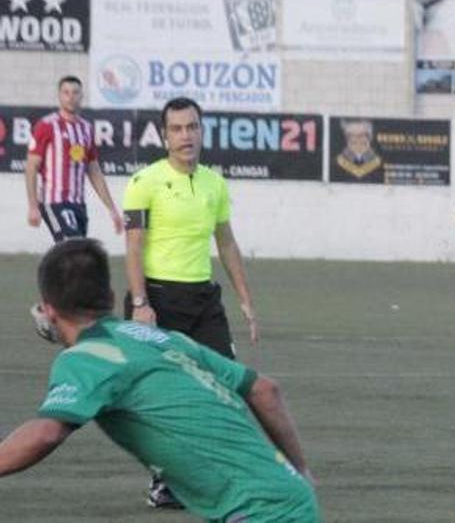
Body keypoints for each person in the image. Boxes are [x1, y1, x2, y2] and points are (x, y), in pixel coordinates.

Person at [2, 238, 318, 521]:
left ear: (49, 310)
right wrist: (300, 470)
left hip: (258, 511)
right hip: (290, 495)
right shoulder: (166, 339)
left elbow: (46, 433)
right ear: (111, 298)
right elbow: (265, 389)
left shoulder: (84, 358)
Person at [122, 96, 260, 508]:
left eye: (192, 127)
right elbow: (132, 247)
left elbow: (227, 243)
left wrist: (246, 302)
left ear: (202, 131)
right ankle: (164, 481)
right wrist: (140, 302)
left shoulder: (214, 183)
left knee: (225, 386)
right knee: (168, 397)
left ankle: (213, 474)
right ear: (165, 136)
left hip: (203, 298)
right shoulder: (143, 181)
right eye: (178, 129)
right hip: (159, 299)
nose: (186, 135)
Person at [24, 75, 123, 241]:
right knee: (72, 247)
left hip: (78, 203)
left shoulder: (86, 128)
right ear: (59, 96)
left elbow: (94, 170)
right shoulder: (47, 125)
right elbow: (31, 167)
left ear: (81, 96)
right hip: (54, 201)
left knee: (77, 255)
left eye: (75, 92)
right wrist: (33, 206)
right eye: (66, 92)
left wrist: (111, 209)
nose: (71, 97)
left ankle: (55, 268)